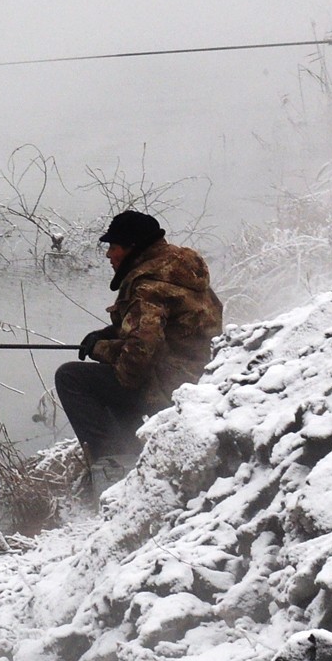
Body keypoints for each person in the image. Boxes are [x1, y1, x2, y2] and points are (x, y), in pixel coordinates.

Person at [55, 211, 224, 492]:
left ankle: (113, 469)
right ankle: (136, 454)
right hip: (200, 379)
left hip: (170, 388)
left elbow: (136, 364)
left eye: (113, 246)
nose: (109, 254)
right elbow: (167, 329)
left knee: (71, 377)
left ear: (132, 247)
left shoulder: (147, 287)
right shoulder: (180, 270)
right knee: (111, 383)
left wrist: (102, 348)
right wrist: (109, 334)